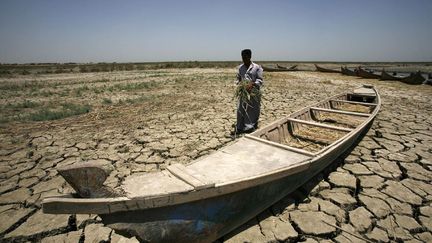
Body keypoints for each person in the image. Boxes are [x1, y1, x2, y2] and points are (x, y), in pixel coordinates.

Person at [232, 49, 263, 136]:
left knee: (253, 109)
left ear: (250, 57)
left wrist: (252, 84)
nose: (244, 59)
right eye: (243, 57)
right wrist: (240, 85)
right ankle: (239, 127)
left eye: (246, 57)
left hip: (254, 92)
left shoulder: (257, 67)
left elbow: (260, 80)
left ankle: (250, 127)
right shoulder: (240, 68)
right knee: (240, 109)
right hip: (243, 92)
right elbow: (237, 79)